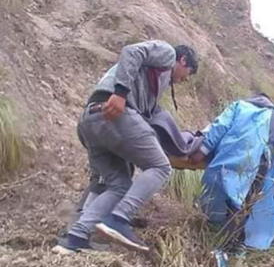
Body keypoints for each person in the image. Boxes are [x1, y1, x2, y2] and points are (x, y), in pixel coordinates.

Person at [54, 40, 198, 254]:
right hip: (115, 113)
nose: (184, 79)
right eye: (188, 73)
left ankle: (76, 236)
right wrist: (121, 93)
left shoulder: (150, 84)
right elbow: (131, 51)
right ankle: (119, 218)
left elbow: (145, 123)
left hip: (90, 120)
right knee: (161, 167)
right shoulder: (167, 53)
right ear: (183, 60)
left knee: (118, 184)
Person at [188, 93, 274, 256]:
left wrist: (202, 150)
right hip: (258, 166)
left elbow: (218, 128)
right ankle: (231, 246)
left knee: (217, 196)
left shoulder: (240, 106)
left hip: (228, 158)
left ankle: (213, 236)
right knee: (243, 205)